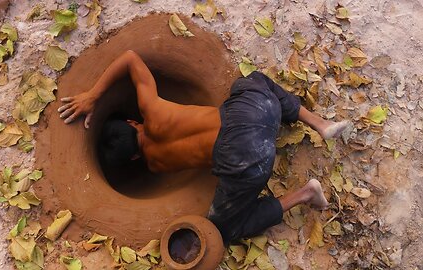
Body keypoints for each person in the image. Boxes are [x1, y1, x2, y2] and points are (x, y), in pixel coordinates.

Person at [58, 50, 349, 244]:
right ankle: (320, 124)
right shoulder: (153, 110)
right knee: (252, 81)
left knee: (226, 228)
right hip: (256, 111)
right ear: (133, 121)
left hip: (249, 159)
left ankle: (306, 193)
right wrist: (94, 95)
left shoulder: (155, 165)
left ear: (134, 157)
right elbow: (131, 58)